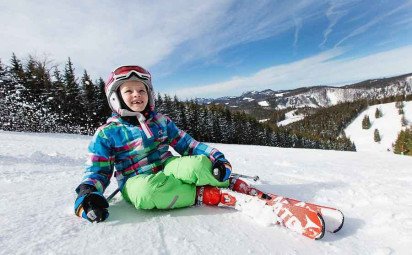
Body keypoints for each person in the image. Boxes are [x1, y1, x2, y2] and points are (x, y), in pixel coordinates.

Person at [74, 65, 234, 222]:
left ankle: (222, 179)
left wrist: (216, 158)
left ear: (149, 94)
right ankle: (199, 193)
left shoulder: (160, 121)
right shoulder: (107, 133)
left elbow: (188, 144)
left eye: (141, 90)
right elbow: (98, 171)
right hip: (135, 178)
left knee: (197, 165)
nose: (137, 94)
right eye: (128, 91)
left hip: (167, 165)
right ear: (115, 98)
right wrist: (88, 195)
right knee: (146, 193)